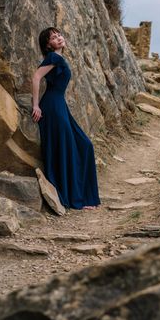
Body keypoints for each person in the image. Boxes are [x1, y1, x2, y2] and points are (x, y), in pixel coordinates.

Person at [31, 27, 101, 210]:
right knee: (66, 147)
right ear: (48, 45)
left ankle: (81, 196)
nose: (59, 38)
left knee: (84, 145)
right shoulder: (53, 57)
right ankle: (73, 196)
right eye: (54, 38)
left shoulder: (59, 58)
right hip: (52, 107)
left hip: (59, 105)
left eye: (59, 35)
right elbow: (36, 77)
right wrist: (35, 105)